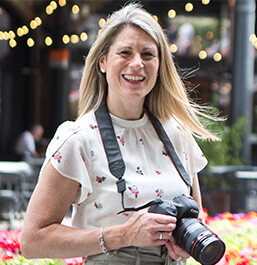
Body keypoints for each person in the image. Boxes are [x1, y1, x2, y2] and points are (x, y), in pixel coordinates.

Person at [21, 3, 220, 265]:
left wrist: (183, 243)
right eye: (125, 52)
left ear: (159, 65)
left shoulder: (178, 134)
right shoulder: (78, 139)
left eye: (148, 54)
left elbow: (196, 217)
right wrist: (123, 235)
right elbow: (32, 240)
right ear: (103, 62)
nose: (137, 63)